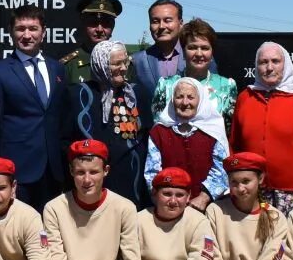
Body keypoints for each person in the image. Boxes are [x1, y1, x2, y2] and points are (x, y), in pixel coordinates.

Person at [0, 6, 71, 206]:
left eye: (33, 28)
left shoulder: (57, 68)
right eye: (20, 29)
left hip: (53, 169)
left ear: (43, 32)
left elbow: (62, 118)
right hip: (17, 168)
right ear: (11, 32)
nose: (26, 35)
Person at [229, 42, 293, 214]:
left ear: (286, 64)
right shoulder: (246, 97)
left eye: (275, 61)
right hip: (252, 191)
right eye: (263, 62)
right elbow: (235, 145)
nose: (269, 67)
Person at [69, 39, 150, 207]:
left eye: (125, 62)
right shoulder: (78, 95)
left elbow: (147, 135)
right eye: (116, 64)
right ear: (100, 65)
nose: (123, 68)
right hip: (92, 180)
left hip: (130, 178)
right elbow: (66, 138)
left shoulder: (136, 92)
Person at [144, 77, 229, 210]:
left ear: (200, 99)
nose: (185, 102)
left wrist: (203, 197)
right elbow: (152, 173)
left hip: (207, 206)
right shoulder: (159, 132)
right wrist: (168, 200)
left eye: (190, 97)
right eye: (179, 97)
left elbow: (222, 168)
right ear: (172, 99)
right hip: (169, 206)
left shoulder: (214, 130)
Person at [150, 19, 237, 121]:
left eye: (205, 48)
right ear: (183, 51)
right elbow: (158, 128)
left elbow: (229, 130)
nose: (199, 54)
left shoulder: (227, 86)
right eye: (192, 48)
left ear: (212, 52)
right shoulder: (166, 86)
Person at [60, 0, 122, 88]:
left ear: (112, 27)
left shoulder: (125, 64)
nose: (99, 29)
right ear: (83, 24)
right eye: (93, 23)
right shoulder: (68, 66)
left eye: (106, 24)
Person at [132, 0, 187, 92]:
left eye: (167, 20)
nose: (161, 26)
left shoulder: (196, 56)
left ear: (180, 23)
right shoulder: (137, 61)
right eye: (155, 21)